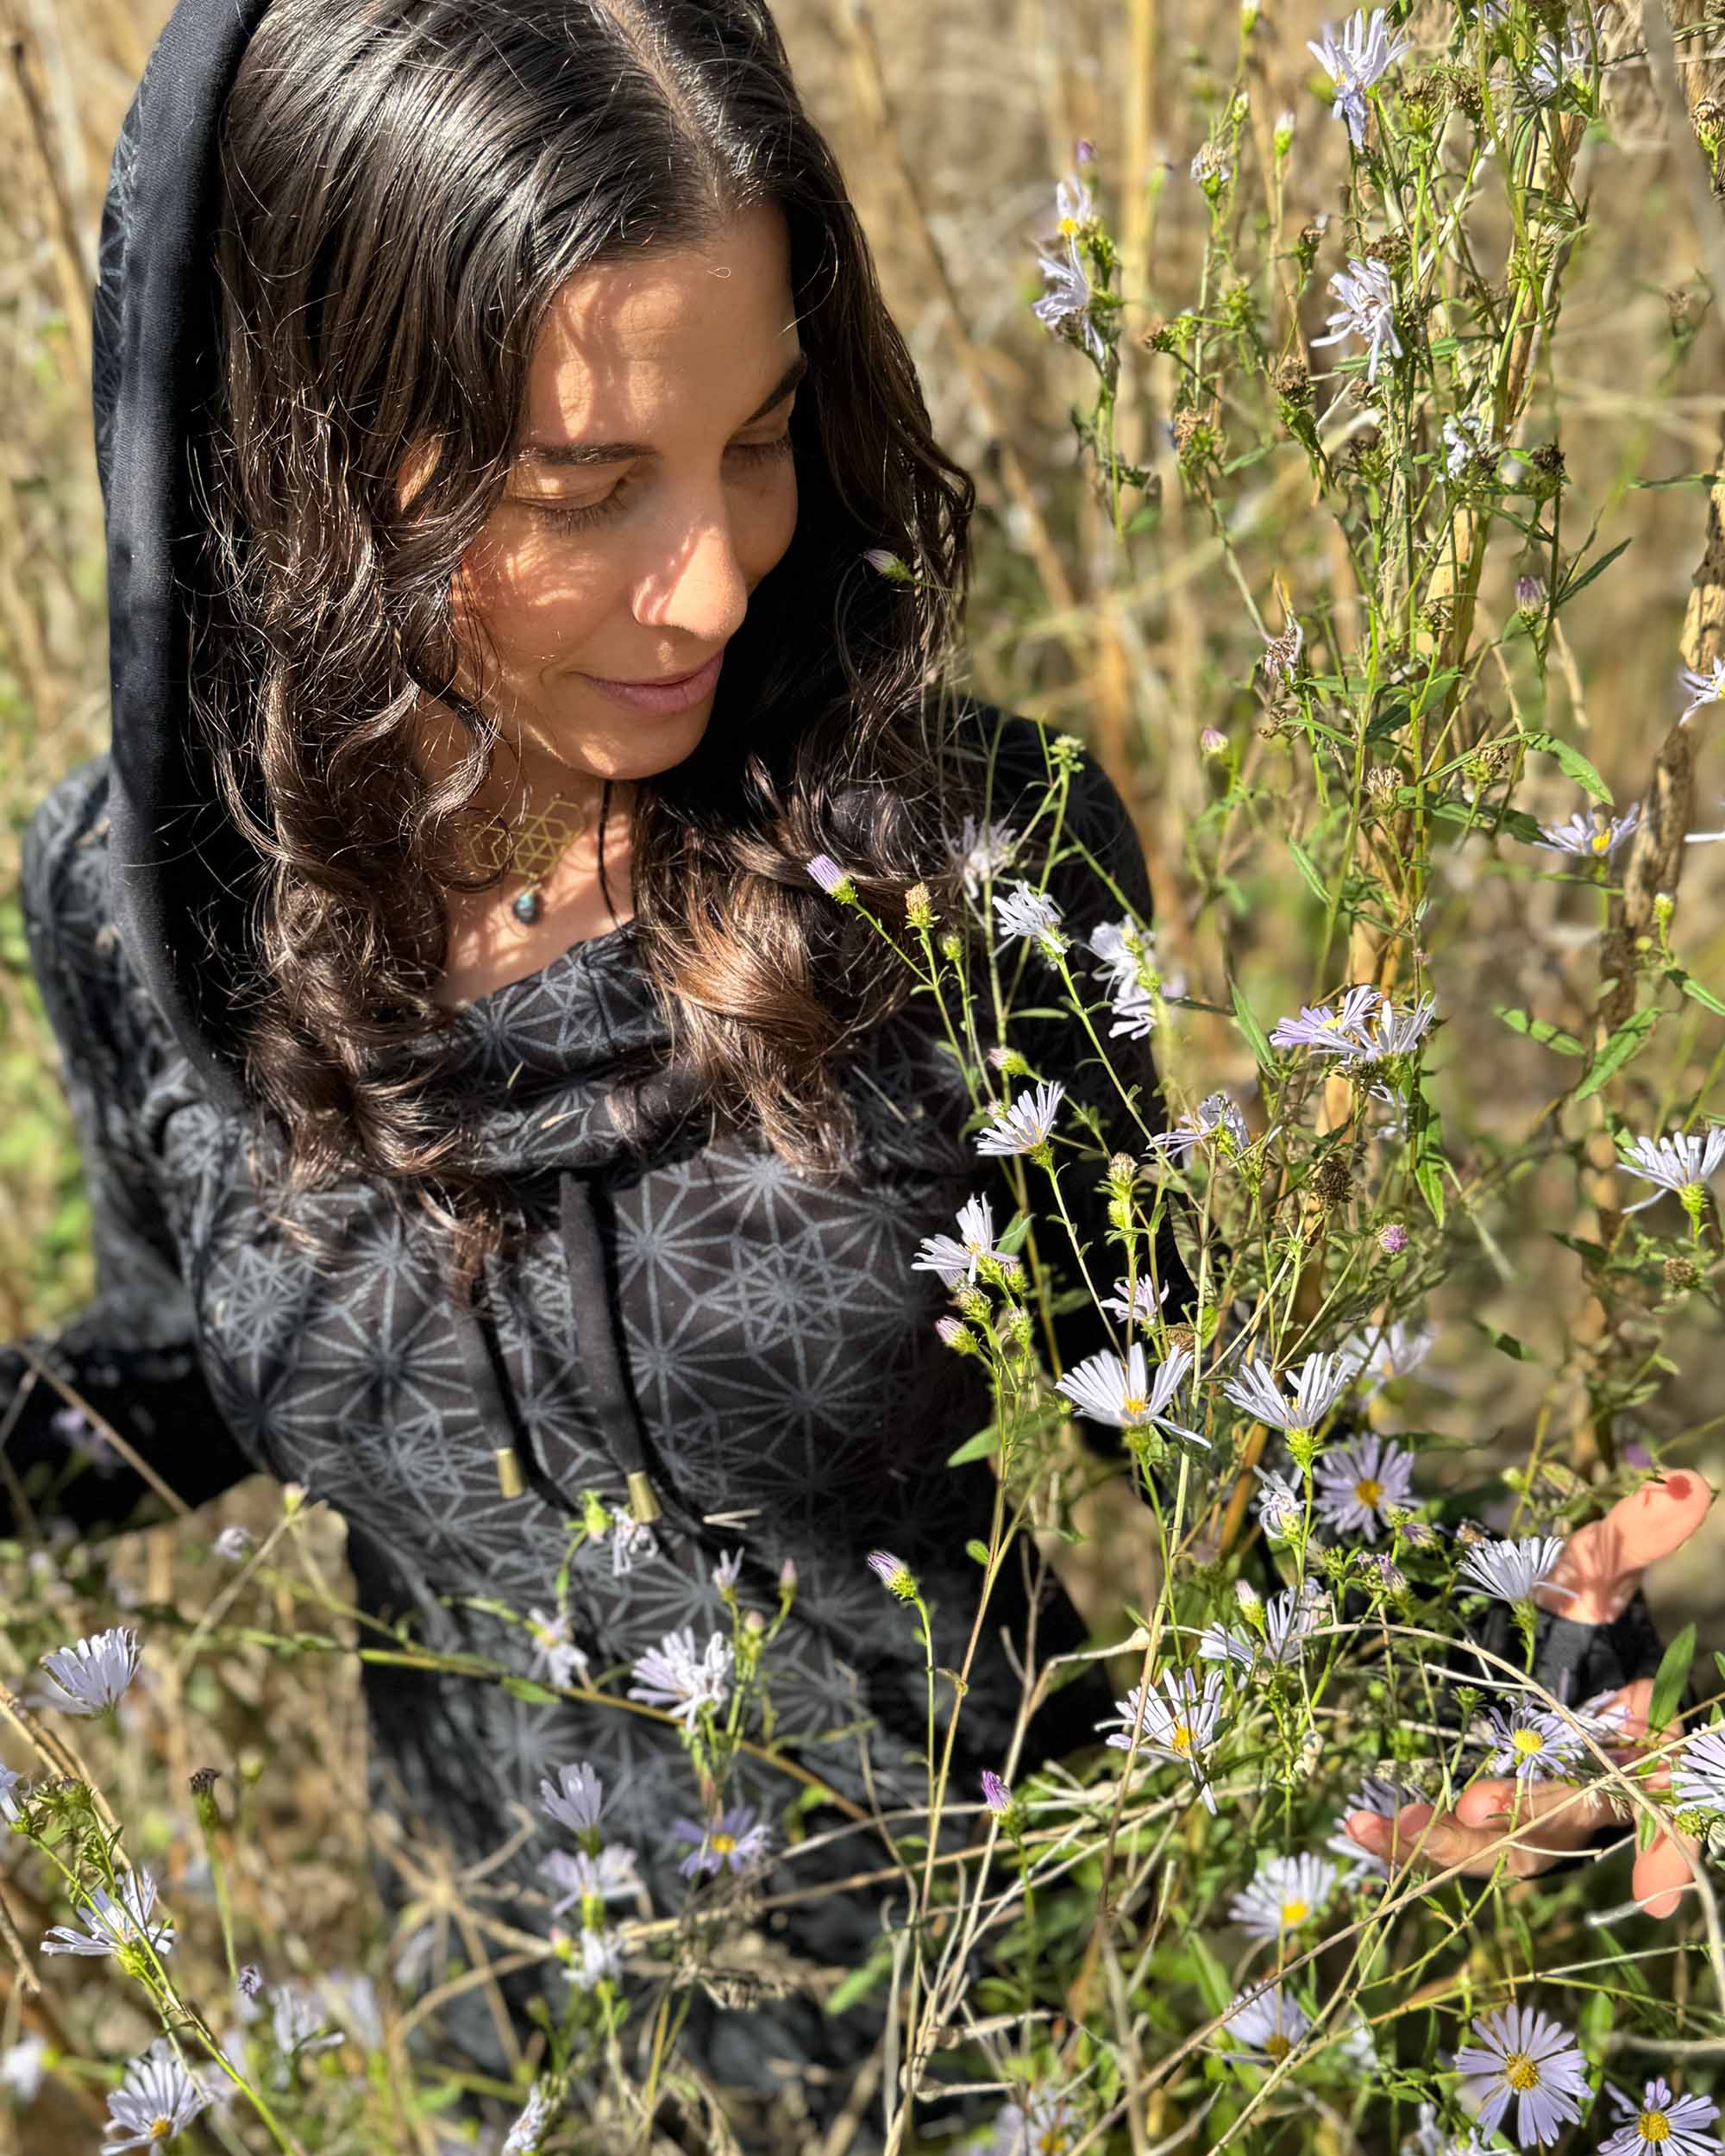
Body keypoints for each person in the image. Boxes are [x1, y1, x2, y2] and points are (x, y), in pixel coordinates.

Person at [0, 0, 1708, 2145]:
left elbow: (1185, 1389)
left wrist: (1496, 1629)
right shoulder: (152, 903)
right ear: (310, 449)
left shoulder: (954, 873)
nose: (715, 572)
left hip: (1038, 2029)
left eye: (763, 434)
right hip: (497, 2058)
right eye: (586, 485)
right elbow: (184, 1366)